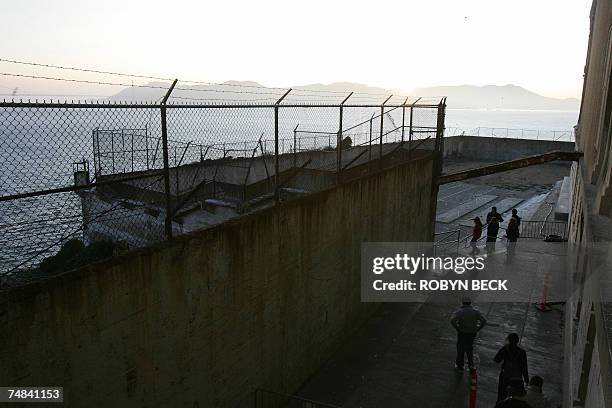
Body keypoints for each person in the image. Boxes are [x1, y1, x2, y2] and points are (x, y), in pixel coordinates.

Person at [450, 297, 487, 371]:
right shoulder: (475, 312)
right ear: (470, 303)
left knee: (460, 349)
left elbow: (452, 320)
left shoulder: (460, 312)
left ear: (463, 303)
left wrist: (457, 328)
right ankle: (471, 365)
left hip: (462, 332)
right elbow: (483, 321)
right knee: (469, 348)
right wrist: (478, 328)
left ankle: (460, 365)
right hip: (472, 333)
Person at [495, 333, 529, 401]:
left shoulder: (505, 349)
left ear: (509, 340)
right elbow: (524, 367)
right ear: (517, 341)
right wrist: (526, 380)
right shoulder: (522, 353)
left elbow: (497, 360)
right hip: (516, 378)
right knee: (515, 397)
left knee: (501, 395)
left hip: (505, 376)